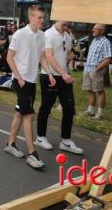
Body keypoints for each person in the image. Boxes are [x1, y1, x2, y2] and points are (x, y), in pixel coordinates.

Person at [4, 5, 56, 169]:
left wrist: (49, 73)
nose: (42, 20)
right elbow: (9, 57)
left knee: (20, 113)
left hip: (32, 81)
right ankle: (32, 154)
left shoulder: (41, 36)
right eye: (39, 17)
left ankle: (10, 144)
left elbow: (41, 58)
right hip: (20, 81)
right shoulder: (20, 34)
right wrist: (18, 77)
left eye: (43, 17)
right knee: (29, 115)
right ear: (31, 17)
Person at [35, 21, 84, 154]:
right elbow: (48, 56)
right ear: (58, 19)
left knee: (69, 108)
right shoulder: (48, 35)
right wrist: (63, 73)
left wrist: (73, 54)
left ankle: (66, 141)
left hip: (64, 77)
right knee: (46, 107)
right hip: (50, 76)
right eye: (65, 24)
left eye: (69, 26)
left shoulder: (67, 36)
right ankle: (40, 137)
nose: (67, 28)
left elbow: (66, 56)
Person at [83, 24, 112, 120]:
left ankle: (100, 113)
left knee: (99, 91)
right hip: (87, 69)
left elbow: (108, 59)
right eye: (93, 28)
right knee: (90, 90)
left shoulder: (105, 42)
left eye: (95, 29)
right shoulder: (94, 40)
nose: (93, 30)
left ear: (102, 31)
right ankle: (90, 110)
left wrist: (97, 69)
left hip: (96, 70)